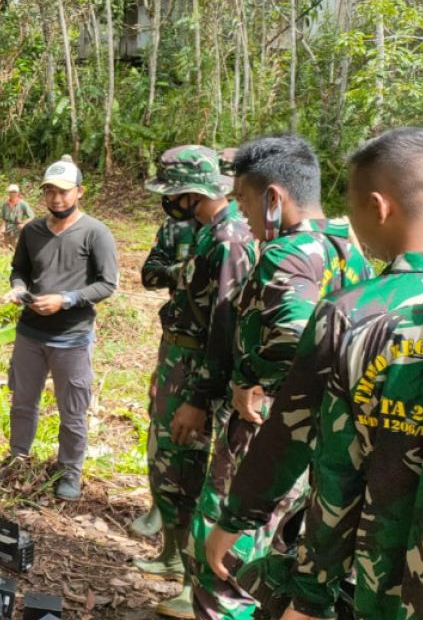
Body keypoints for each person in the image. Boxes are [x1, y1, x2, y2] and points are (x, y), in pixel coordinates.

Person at [208, 127, 423, 620]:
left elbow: (326, 458)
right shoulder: (350, 266)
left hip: (382, 582)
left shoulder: (357, 313)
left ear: (378, 206)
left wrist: (238, 522)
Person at [182, 136, 371, 620]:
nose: (241, 215)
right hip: (325, 442)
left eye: (243, 200)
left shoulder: (288, 254)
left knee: (223, 560)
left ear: (272, 198)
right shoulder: (351, 250)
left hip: (266, 437)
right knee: (279, 554)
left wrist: (254, 381)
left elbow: (291, 343)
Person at [137, 145, 256, 619]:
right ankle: (175, 560)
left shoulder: (228, 240)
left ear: (191, 192)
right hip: (180, 363)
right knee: (169, 469)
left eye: (174, 193)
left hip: (199, 375)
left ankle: (195, 587)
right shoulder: (210, 234)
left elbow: (224, 330)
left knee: (192, 476)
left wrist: (197, 399)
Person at [0, 155, 119, 500]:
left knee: (73, 410)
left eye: (64, 192)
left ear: (79, 192)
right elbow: (18, 269)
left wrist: (65, 300)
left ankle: (69, 471)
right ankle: (17, 456)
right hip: (30, 333)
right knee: (23, 401)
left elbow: (107, 284)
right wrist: (20, 289)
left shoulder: (96, 233)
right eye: (50, 192)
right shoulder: (33, 230)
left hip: (72, 336)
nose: (57, 199)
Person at [132, 181, 201, 541]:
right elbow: (149, 274)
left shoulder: (234, 233)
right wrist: (184, 271)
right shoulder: (177, 227)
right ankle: (161, 505)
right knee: (160, 418)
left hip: (212, 346)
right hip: (175, 340)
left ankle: (192, 527)